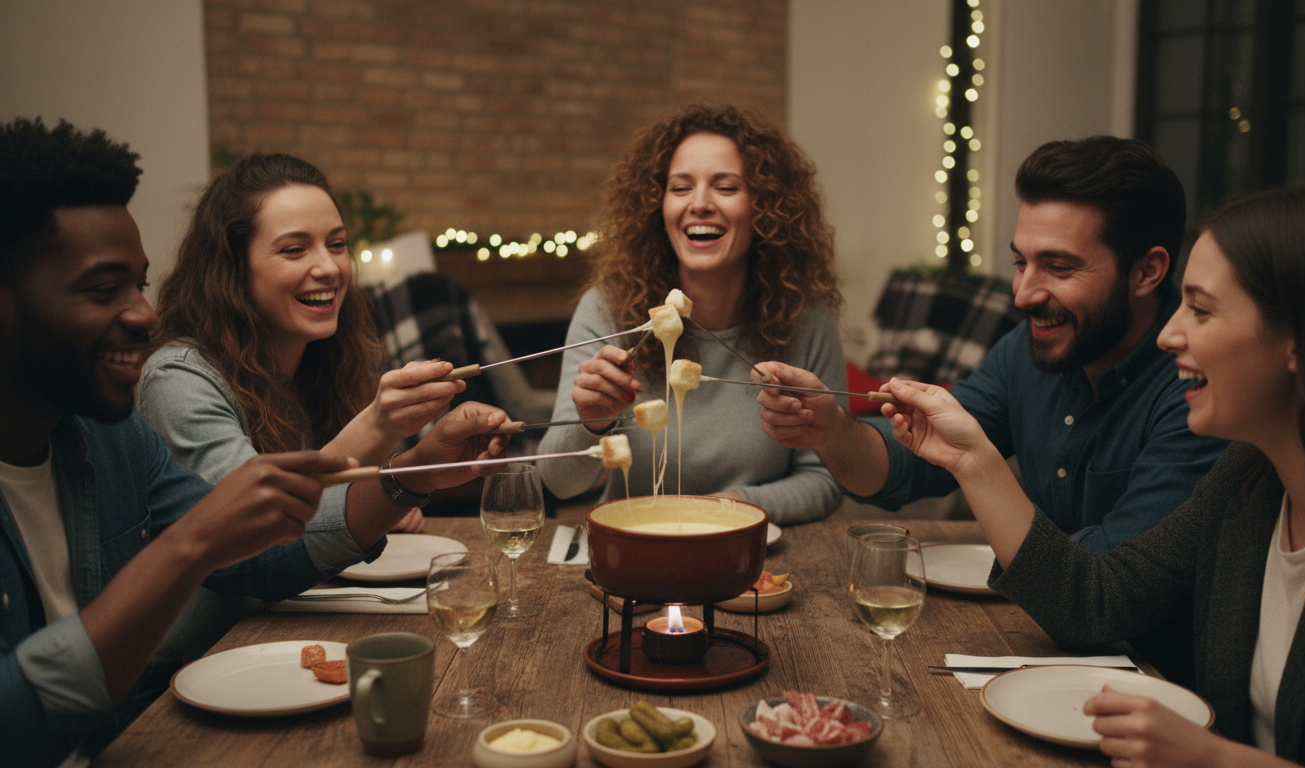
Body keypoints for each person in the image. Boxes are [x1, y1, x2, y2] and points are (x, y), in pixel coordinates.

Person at [0, 118, 509, 768]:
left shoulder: (110, 436)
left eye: (139, 285)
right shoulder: (174, 377)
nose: (143, 315)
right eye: (105, 290)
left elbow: (263, 556)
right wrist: (193, 543)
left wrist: (412, 472)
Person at [880, 185, 1305, 766]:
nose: (1171, 334)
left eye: (1200, 310)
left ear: (1300, 339)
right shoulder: (1247, 482)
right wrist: (972, 459)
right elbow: (1094, 602)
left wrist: (1214, 759)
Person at [758, 136, 1228, 551]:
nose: (1023, 295)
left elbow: (1110, 594)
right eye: (1021, 263)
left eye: (1059, 267)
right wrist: (830, 430)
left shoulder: (1200, 389)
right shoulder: (1029, 348)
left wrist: (978, 465)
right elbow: (907, 467)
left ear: (1147, 272)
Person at [537, 104, 845, 524]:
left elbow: (824, 481)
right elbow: (558, 482)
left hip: (753, 561)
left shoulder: (807, 321)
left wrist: (724, 510)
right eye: (680, 188)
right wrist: (591, 423)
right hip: (633, 555)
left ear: (766, 208)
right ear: (656, 206)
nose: (699, 204)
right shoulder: (608, 309)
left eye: (726, 187)